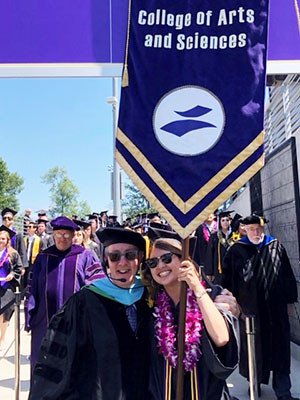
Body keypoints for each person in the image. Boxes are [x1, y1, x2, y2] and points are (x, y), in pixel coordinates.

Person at [29, 227, 150, 400]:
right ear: (106, 260)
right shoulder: (84, 301)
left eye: (130, 255)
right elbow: (61, 358)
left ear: (140, 259)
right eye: (114, 256)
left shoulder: (150, 296)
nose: (122, 262)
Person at [142, 236, 239, 400]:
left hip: (206, 392)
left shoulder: (211, 295)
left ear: (183, 260)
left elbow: (221, 338)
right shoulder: (152, 304)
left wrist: (196, 287)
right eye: (152, 263)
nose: (160, 266)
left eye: (166, 258)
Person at [222, 213, 299, 400]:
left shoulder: (275, 246)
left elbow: (287, 273)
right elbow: (228, 279)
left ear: (263, 228)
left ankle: (283, 392)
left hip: (276, 309)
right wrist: (231, 302)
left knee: (280, 350)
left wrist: (290, 300)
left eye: (258, 228)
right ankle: (254, 384)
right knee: (254, 350)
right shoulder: (236, 250)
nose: (256, 232)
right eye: (251, 229)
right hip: (251, 310)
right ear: (244, 230)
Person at [27, 216, 103, 371]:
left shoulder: (85, 256)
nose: (62, 238)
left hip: (76, 323)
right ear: (53, 235)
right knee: (42, 365)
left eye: (66, 235)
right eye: (58, 235)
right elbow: (32, 288)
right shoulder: (43, 257)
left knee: (74, 367)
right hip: (44, 321)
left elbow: (97, 286)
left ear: (73, 235)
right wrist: (30, 316)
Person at [0, 225, 22, 350]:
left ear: (8, 240)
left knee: (4, 313)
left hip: (7, 287)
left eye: (3, 238)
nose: (0, 240)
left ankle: (2, 338)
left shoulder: (13, 254)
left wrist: (12, 274)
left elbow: (19, 268)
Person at [206, 210, 233, 284]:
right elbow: (210, 254)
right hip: (218, 270)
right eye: (223, 220)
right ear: (220, 222)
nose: (225, 222)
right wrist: (209, 272)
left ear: (230, 221)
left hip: (232, 269)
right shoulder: (214, 236)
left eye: (227, 220)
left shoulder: (234, 236)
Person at [1, 207, 28, 271]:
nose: (6, 220)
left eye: (9, 218)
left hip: (14, 264)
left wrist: (23, 267)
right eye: (4, 218)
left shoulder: (17, 234)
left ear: (13, 220)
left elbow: (22, 251)